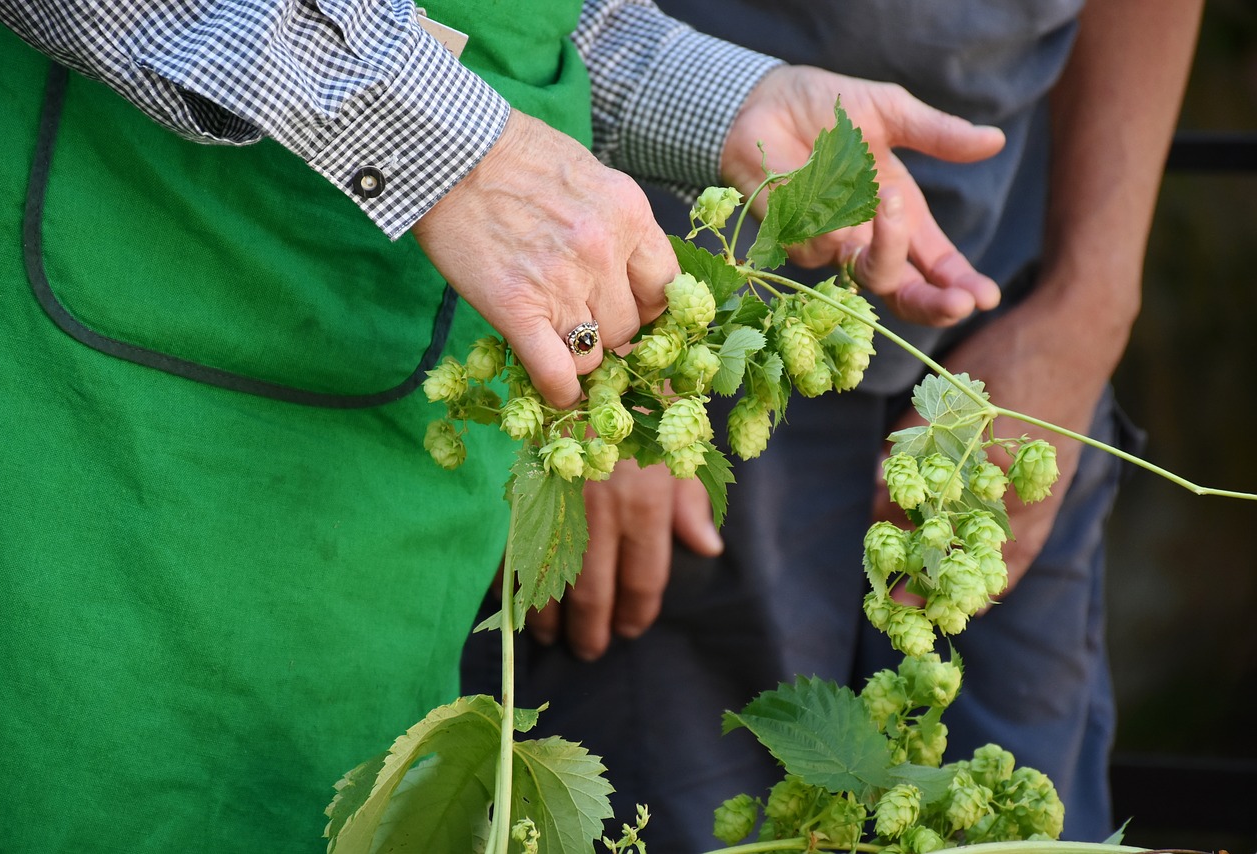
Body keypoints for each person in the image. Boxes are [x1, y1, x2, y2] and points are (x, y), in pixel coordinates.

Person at [0, 1, 1015, 850]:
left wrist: (715, 98)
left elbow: (501, 17)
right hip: (107, 414)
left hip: (374, 470)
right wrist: (443, 143)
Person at [463, 0, 1204, 848]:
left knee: (1011, 811)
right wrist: (600, 369)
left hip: (1012, 336)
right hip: (668, 341)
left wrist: (1090, 307)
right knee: (683, 808)